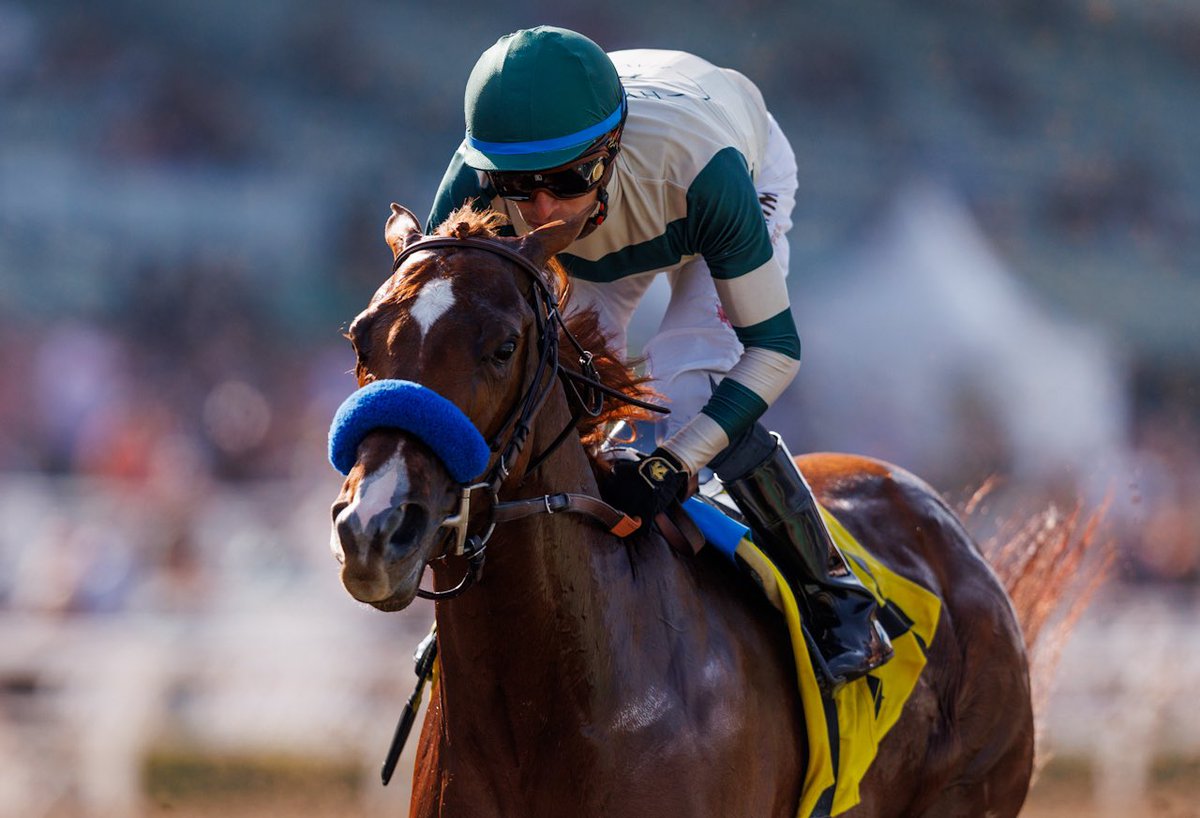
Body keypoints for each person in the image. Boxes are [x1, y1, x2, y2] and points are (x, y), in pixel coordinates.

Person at [427, 26, 891, 687]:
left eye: (565, 179)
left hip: (718, 176)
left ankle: (833, 591)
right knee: (555, 386)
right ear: (485, 169)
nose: (543, 213)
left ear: (610, 148)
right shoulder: (469, 189)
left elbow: (776, 350)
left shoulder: (704, 167)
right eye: (516, 186)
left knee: (693, 381)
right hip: (632, 203)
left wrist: (673, 464)